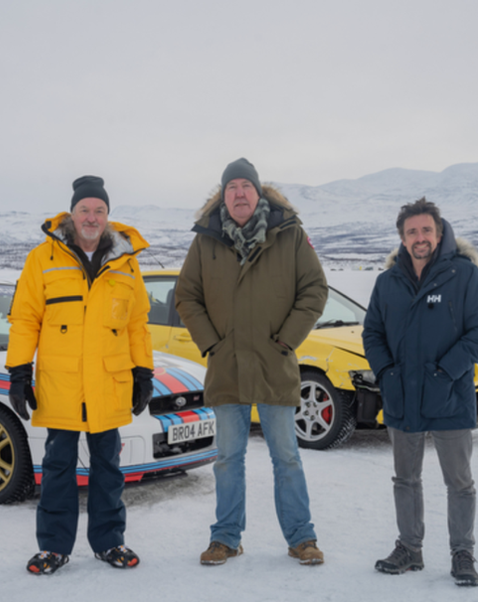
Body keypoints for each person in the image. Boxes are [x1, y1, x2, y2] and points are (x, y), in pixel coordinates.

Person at [175, 158, 328, 566]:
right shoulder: (206, 240)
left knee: (287, 456)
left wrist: (287, 340)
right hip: (227, 365)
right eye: (232, 187)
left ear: (258, 193)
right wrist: (212, 343)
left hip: (274, 362)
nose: (239, 193)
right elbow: (186, 295)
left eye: (246, 186)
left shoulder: (289, 234)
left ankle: (301, 538)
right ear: (222, 197)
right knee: (228, 458)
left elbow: (313, 289)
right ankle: (225, 537)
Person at [6, 175, 154, 575]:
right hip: (62, 382)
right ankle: (53, 547)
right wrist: (18, 371)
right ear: (72, 214)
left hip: (108, 381)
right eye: (85, 209)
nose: (92, 217)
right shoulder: (43, 258)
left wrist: (143, 371)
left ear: (108, 216)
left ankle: (110, 542)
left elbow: (137, 322)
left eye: (99, 210)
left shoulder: (126, 261)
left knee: (108, 466)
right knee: (58, 466)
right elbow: (25, 318)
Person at [362, 198, 478, 586]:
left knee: (458, 481)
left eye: (426, 230)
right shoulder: (387, 282)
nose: (419, 237)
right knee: (404, 479)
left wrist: (447, 371)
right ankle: (409, 548)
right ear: (403, 239)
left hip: (449, 397)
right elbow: (372, 332)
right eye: (412, 232)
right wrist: (387, 372)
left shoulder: (465, 276)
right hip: (402, 396)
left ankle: (462, 553)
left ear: (439, 234)